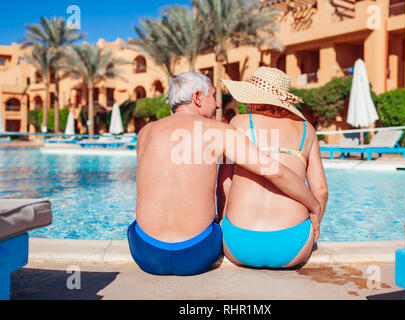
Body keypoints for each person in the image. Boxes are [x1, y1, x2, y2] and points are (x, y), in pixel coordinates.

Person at [128, 72, 321, 276]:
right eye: (213, 96)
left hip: (145, 251)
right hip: (194, 253)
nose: (218, 105)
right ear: (197, 98)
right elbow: (273, 171)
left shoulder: (145, 133)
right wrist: (314, 206)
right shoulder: (220, 131)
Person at [217, 67, 328, 269]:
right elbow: (321, 190)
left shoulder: (238, 123)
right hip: (293, 245)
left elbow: (224, 183)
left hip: (239, 243)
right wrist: (316, 223)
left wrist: (223, 220)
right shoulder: (307, 129)